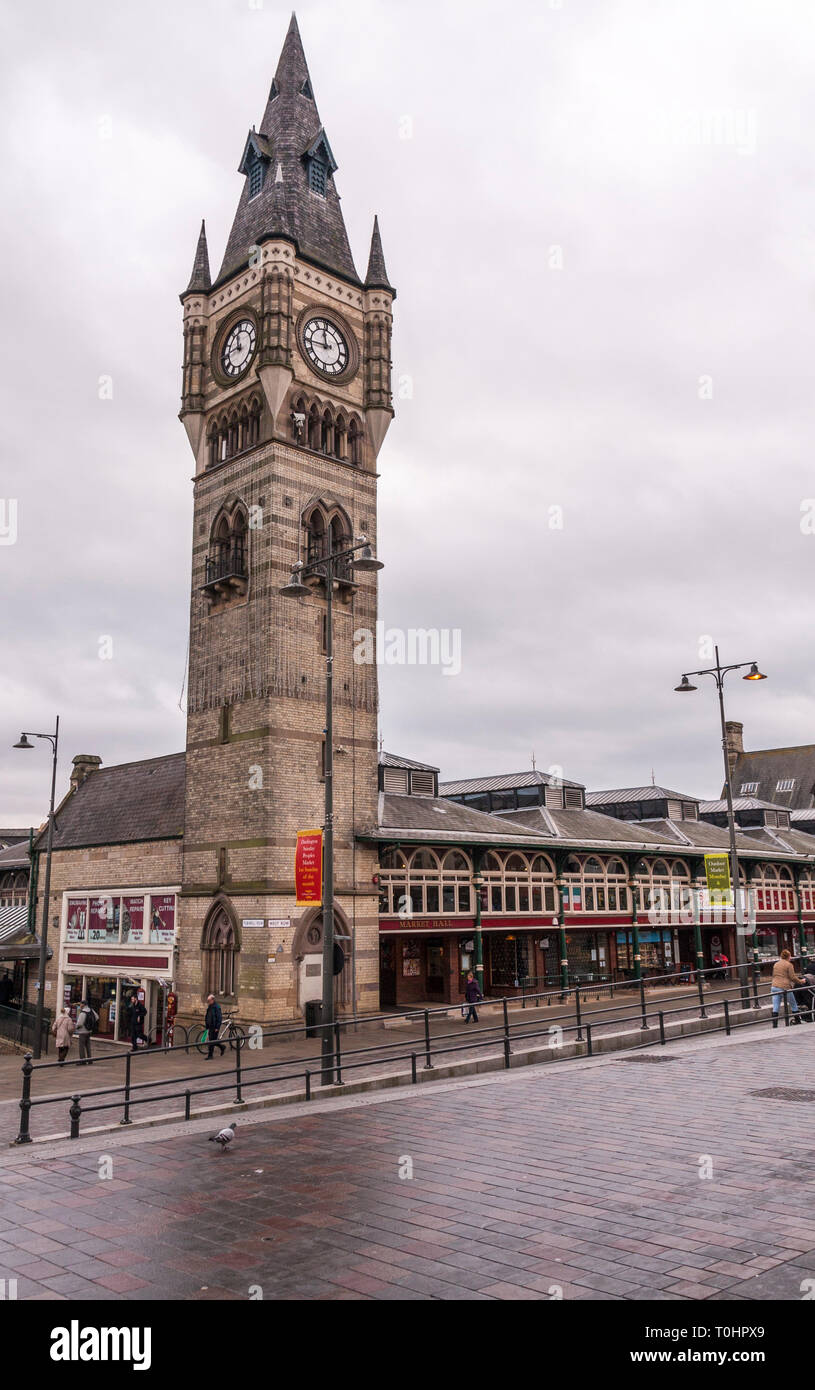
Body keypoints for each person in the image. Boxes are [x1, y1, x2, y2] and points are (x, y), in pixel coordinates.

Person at [771, 949, 804, 1027]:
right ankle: (798, 1021)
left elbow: (773, 975)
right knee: (793, 1004)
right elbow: (793, 977)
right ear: (788, 957)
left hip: (774, 986)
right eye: (790, 956)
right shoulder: (789, 965)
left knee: (775, 1006)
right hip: (784, 987)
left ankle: (775, 1025)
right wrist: (801, 981)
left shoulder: (776, 964)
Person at [75, 999, 95, 1063]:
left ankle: (82, 1061)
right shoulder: (91, 1010)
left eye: (81, 1004)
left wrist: (76, 1027)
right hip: (89, 1031)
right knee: (88, 1046)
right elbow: (97, 1017)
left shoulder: (83, 1013)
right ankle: (90, 1060)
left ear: (83, 1004)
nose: (80, 1005)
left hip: (83, 1031)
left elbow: (79, 1024)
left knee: (81, 1047)